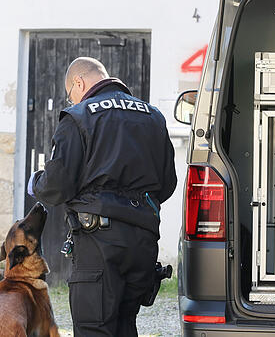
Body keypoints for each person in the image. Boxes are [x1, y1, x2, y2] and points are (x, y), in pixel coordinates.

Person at [28, 57, 177, 337]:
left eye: (70, 93)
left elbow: (57, 185)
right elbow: (167, 184)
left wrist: (36, 183)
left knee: (93, 329)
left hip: (99, 243)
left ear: (79, 83)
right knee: (125, 326)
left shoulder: (79, 116)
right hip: (143, 244)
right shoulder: (154, 117)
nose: (71, 99)